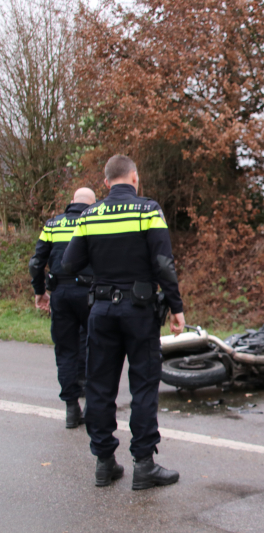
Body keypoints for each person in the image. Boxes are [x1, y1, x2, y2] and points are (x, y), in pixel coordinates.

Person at [62, 155, 186, 490]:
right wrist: (176, 306)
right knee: (143, 385)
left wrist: (102, 271)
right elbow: (163, 263)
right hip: (139, 311)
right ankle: (144, 465)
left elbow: (69, 263)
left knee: (100, 386)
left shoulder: (89, 215)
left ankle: (104, 463)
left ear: (106, 183)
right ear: (134, 178)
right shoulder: (148, 210)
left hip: (101, 311)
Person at [29, 188, 97, 428]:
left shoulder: (52, 225)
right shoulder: (96, 222)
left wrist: (40, 291)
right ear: (92, 205)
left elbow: (36, 263)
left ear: (71, 202)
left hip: (60, 294)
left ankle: (71, 408)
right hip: (91, 294)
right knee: (95, 347)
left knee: (66, 350)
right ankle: (91, 406)